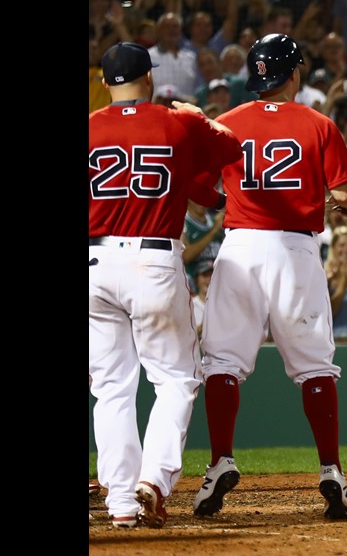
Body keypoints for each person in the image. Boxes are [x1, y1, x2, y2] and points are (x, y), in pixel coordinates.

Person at [191, 33, 347, 521]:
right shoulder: (318, 122)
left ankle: (220, 459)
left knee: (222, 360)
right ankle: (331, 471)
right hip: (295, 248)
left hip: (240, 245)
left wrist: (230, 198)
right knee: (314, 365)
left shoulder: (227, 122)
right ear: (294, 73)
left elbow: (202, 190)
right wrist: (330, 201)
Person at [90, 42, 242, 528]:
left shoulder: (89, 127)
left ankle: (118, 503)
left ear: (106, 81)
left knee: (112, 388)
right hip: (152, 258)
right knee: (175, 379)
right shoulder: (177, 121)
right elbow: (231, 148)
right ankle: (152, 480)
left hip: (94, 261)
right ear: (149, 77)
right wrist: (200, 116)